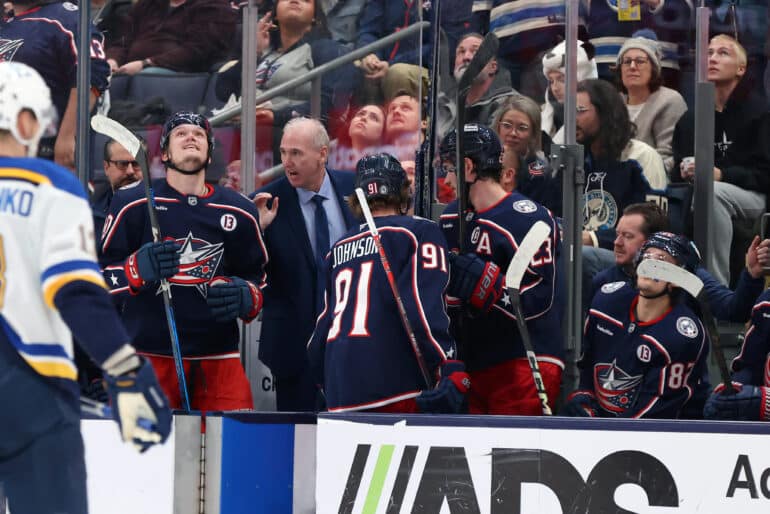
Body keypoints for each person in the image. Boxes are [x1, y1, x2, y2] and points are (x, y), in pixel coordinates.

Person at [0, 61, 170, 513]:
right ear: (24, 120)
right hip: (28, 386)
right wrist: (125, 370)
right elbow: (75, 291)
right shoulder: (52, 186)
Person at [100, 111, 268, 411]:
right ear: (164, 153)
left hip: (219, 360)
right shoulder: (133, 203)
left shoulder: (240, 210)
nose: (191, 137)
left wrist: (247, 295)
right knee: (145, 455)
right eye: (180, 134)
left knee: (231, 450)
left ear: (209, 150)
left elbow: (259, 278)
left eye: (199, 134)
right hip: (146, 357)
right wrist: (135, 270)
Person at [307, 153, 469, 413]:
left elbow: (319, 336)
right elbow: (422, 311)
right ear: (403, 192)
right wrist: (445, 366)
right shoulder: (418, 233)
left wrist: (329, 385)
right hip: (398, 390)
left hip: (340, 395)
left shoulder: (337, 249)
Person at [438, 124, 564, 415]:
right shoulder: (450, 218)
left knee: (515, 460)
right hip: (472, 363)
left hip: (523, 361)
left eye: (449, 169)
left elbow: (541, 297)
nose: (447, 179)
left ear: (468, 167)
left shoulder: (530, 218)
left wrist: (489, 288)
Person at [254, 117, 356, 411]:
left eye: (296, 153)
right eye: (283, 153)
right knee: (297, 442)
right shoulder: (266, 202)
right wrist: (257, 230)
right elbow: (246, 266)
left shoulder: (354, 190)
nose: (287, 162)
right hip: (293, 351)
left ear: (322, 154)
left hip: (351, 342)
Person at [563, 232, 708, 419]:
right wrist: (584, 401)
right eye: (646, 256)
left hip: (657, 435)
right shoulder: (606, 302)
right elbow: (588, 369)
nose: (648, 265)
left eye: (661, 261)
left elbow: (655, 412)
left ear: (678, 278)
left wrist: (605, 432)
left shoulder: (681, 335)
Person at [672, 34, 770, 287]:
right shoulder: (689, 119)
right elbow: (676, 168)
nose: (713, 58)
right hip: (700, 192)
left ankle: (715, 291)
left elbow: (765, 175)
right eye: (708, 52)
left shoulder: (761, 113)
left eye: (723, 53)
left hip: (752, 196)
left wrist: (721, 175)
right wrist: (684, 170)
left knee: (711, 192)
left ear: (741, 68)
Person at [590, 202, 768, 323]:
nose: (617, 243)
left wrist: (752, 276)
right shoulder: (604, 281)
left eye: (628, 236)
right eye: (617, 234)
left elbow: (734, 311)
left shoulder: (688, 277)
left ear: (655, 240)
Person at [0, 0, 110, 169]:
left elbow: (91, 75)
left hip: (44, 151)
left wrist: (68, 136)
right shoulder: (6, 21)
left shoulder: (67, 18)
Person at [214, 0, 353, 130]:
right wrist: (254, 53)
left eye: (306, 0)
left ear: (315, 18)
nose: (295, 0)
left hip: (291, 134)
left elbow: (329, 105)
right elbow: (223, 91)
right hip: (244, 133)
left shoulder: (327, 50)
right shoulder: (265, 50)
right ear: (275, 13)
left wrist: (276, 117)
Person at [574, 79, 652, 282]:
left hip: (634, 260)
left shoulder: (640, 156)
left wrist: (593, 238)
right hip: (580, 250)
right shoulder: (576, 161)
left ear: (605, 112)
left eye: (580, 110)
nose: (572, 118)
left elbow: (656, 224)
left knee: (579, 257)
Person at [614, 35, 687, 174]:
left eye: (640, 61)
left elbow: (669, 157)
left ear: (654, 69)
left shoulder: (669, 100)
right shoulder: (613, 102)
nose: (632, 67)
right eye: (627, 61)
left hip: (653, 179)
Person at [105, 0, 237, 75]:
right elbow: (123, 40)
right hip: (129, 69)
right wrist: (113, 60)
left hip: (183, 74)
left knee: (148, 75)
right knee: (99, 75)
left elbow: (196, 51)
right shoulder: (148, 4)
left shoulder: (214, 5)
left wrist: (146, 63)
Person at [705, 285, 770, 422]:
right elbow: (750, 365)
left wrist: (765, 401)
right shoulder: (766, 304)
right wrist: (734, 391)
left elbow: (761, 401)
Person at [437, 32, 519, 139]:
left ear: (493, 67)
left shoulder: (510, 105)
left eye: (475, 51)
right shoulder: (442, 105)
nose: (466, 57)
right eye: (461, 52)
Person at [491, 94, 559, 215]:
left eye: (522, 128)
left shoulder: (539, 175)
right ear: (498, 126)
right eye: (507, 125)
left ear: (533, 133)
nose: (513, 133)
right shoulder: (484, 161)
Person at [540, 39, 598, 151]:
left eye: (562, 80)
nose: (555, 88)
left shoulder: (598, 121)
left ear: (583, 79)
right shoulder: (543, 115)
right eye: (551, 81)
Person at [91, 139, 143, 247]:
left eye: (136, 163)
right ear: (106, 167)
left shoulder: (163, 207)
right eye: (122, 164)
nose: (130, 171)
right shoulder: (91, 216)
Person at [327, 103, 385, 172]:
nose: (364, 118)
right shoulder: (327, 152)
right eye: (360, 114)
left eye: (373, 118)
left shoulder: (386, 169)